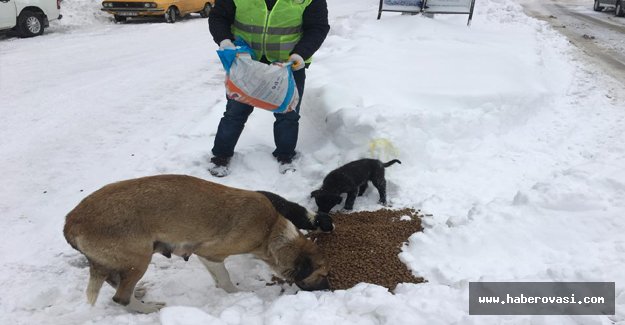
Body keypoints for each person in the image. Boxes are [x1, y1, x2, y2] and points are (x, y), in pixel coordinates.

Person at [207, 0, 330, 177]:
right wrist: (224, 39)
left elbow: (317, 27)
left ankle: (285, 156)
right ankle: (220, 156)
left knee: (288, 114)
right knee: (235, 111)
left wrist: (301, 53)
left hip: (289, 64)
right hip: (246, 61)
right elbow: (219, 16)